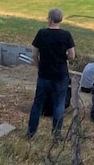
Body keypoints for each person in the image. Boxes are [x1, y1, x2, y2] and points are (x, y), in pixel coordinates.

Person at [27, 8, 75, 139]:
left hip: (44, 73)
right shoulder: (66, 35)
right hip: (60, 74)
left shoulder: (42, 33)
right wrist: (63, 55)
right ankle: (57, 133)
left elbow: (34, 54)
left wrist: (38, 66)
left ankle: (31, 132)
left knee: (38, 103)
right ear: (60, 19)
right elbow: (71, 55)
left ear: (50, 18)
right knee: (59, 103)